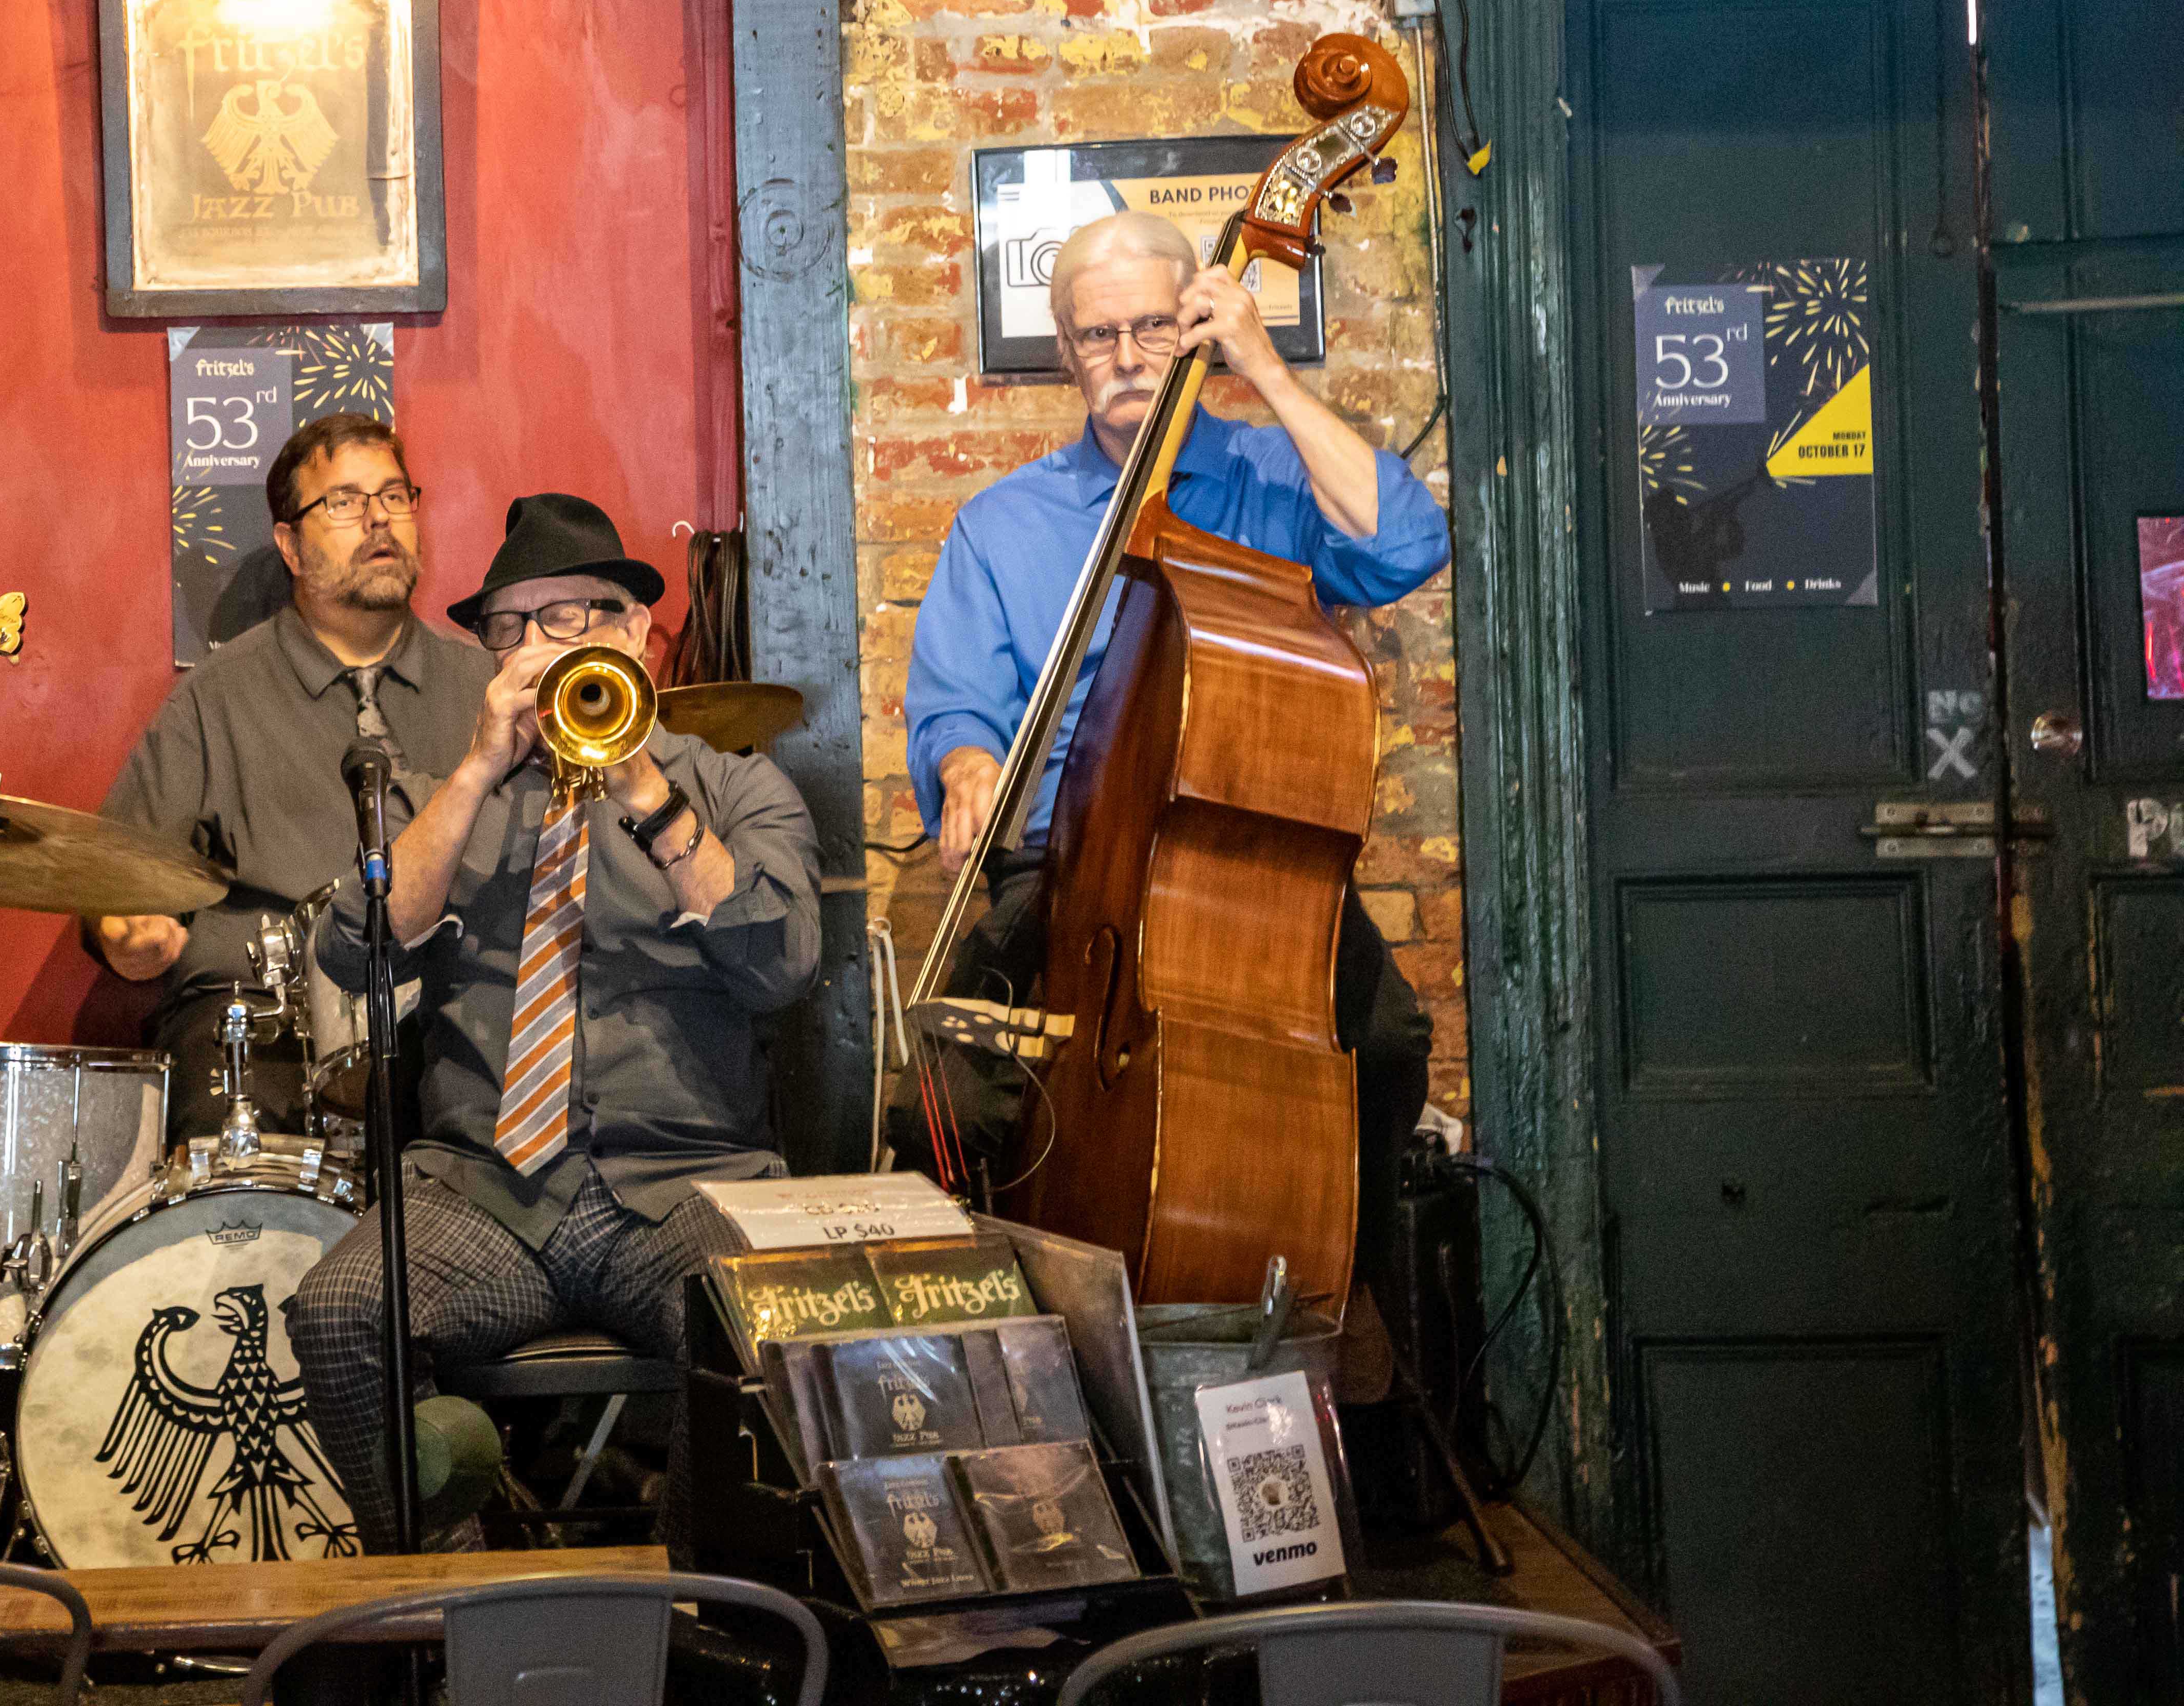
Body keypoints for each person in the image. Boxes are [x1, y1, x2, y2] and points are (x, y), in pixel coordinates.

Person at [901, 208, 1450, 1318]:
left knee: (1387, 1039)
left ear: (1197, 320)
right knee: (944, 1091)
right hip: (1071, 862)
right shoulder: (1001, 524)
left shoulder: (1270, 476)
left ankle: (1355, 1311)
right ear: (1063, 351)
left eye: (1154, 325)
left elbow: (1405, 546)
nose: (1125, 355)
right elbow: (954, 705)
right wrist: (965, 767)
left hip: (1250, 861)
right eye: (1096, 334)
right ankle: (1023, 1342)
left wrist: (1267, 370)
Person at [286, 493, 819, 1551]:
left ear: (632, 633)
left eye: (572, 615)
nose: (537, 645)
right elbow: (359, 948)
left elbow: (783, 961)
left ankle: (685, 1627)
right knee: (339, 1312)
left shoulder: (734, 785)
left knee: (774, 1329)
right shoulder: (450, 798)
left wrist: (642, 785)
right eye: (512, 625)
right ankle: (455, 1607)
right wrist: (481, 767)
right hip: (486, 1193)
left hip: (684, 1183)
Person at [91, 411, 497, 1141]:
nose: (378, 520)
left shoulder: (484, 689)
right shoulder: (217, 698)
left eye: (395, 496)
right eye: (343, 502)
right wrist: (120, 928)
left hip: (450, 1014)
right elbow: (109, 874)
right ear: (290, 545)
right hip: (263, 1025)